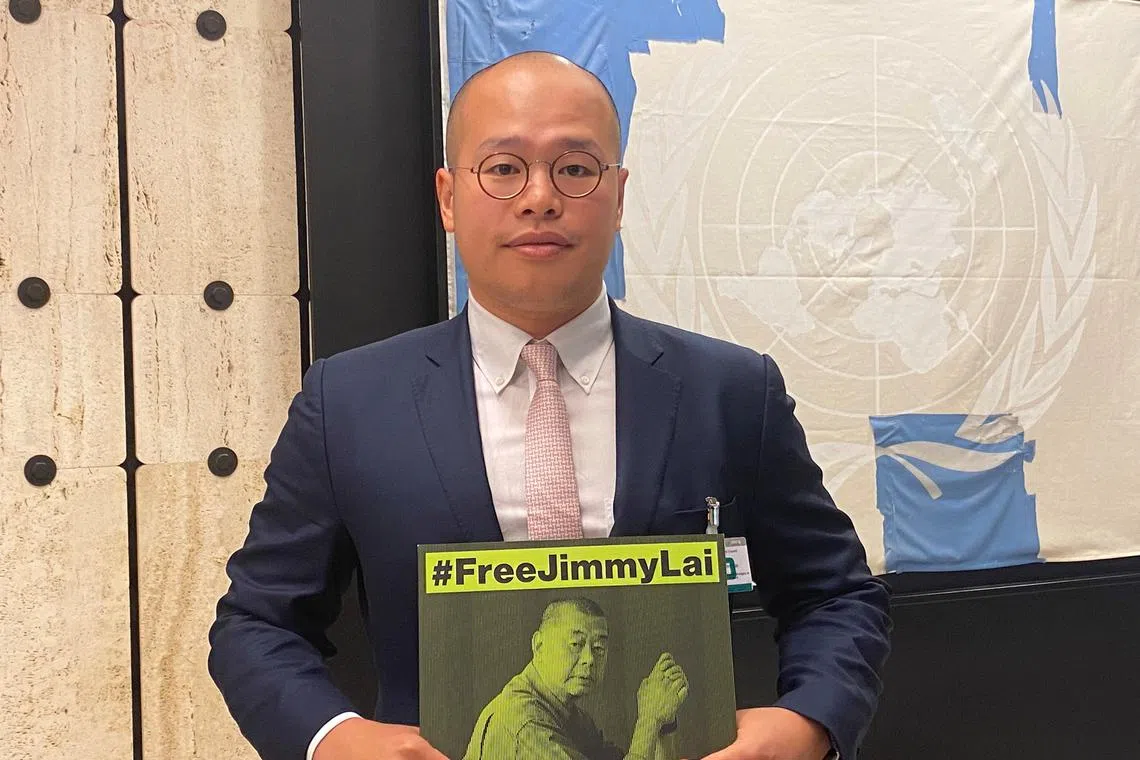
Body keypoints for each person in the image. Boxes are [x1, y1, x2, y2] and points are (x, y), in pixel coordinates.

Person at [208, 50, 891, 760]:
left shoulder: (732, 391)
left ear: (618, 196)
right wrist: (333, 740)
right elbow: (258, 623)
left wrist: (807, 724)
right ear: (448, 197)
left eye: (575, 168)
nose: (540, 197)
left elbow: (835, 597)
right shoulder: (348, 403)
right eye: (503, 168)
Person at [462, 598, 687, 760]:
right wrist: (648, 721)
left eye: (599, 647)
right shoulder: (523, 722)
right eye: (576, 645)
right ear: (538, 645)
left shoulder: (571, 717)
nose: (589, 659)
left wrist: (665, 721)